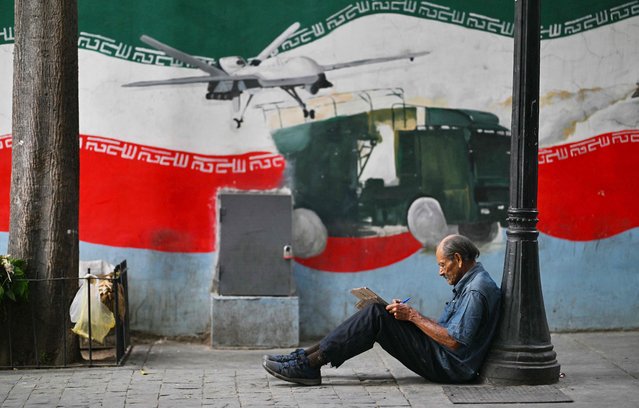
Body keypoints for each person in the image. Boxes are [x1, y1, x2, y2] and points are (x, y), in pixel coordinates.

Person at [262, 234, 501, 385]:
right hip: (445, 356)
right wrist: (407, 316)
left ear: (458, 259)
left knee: (376, 314)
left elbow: (454, 342)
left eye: (442, 264)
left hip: (450, 367)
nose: (440, 272)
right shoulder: (473, 282)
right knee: (379, 311)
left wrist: (413, 316)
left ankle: (309, 365)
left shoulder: (475, 290)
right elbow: (449, 332)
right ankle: (305, 359)